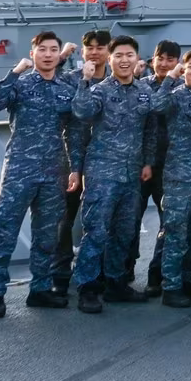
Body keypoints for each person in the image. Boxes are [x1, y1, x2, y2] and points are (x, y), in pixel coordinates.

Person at [0, 31, 77, 317]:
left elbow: (75, 127)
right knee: (6, 233)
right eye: (42, 50)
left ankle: (40, 289)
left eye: (53, 50)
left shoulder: (66, 87)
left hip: (53, 171)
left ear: (58, 54)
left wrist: (75, 167)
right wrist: (14, 72)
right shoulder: (21, 85)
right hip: (19, 171)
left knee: (46, 235)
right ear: (33, 53)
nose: (47, 54)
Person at [70, 35, 156, 314]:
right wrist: (84, 81)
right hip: (102, 172)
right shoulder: (99, 90)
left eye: (129, 55)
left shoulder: (145, 91)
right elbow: (82, 112)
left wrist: (148, 162)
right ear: (110, 58)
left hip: (131, 173)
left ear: (136, 59)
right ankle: (88, 287)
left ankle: (116, 283)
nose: (124, 60)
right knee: (95, 231)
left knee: (124, 231)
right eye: (118, 55)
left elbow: (150, 130)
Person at [150, 50, 191, 308]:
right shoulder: (176, 96)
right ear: (184, 70)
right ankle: (171, 286)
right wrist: (170, 78)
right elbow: (157, 106)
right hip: (180, 175)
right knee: (176, 231)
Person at [54, 28, 109, 295]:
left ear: (108, 51)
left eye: (101, 47)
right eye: (90, 47)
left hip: (107, 160)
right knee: (65, 218)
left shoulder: (116, 81)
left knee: (100, 218)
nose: (95, 52)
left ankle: (98, 272)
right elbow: (47, 78)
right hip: (71, 158)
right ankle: (61, 273)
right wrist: (63, 56)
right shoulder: (71, 80)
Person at [126, 39, 181, 292]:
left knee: (168, 223)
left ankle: (156, 276)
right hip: (140, 165)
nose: (165, 64)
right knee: (129, 219)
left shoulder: (182, 89)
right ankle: (124, 271)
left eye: (171, 59)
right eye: (161, 58)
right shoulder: (140, 87)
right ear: (153, 60)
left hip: (170, 166)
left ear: (177, 62)